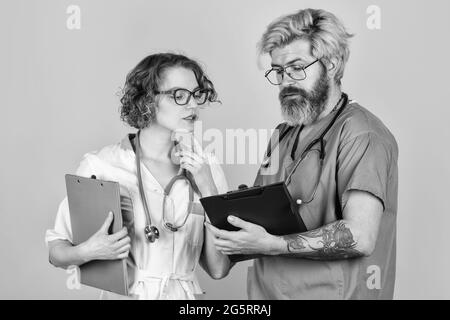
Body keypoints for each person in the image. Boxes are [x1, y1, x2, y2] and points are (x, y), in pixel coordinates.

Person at [206, 8, 398, 299]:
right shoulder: (283, 134)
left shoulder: (363, 134)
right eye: (278, 71)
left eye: (297, 68)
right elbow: (257, 228)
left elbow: (360, 235)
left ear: (331, 63)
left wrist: (275, 245)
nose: (285, 82)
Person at [45, 53, 231, 299]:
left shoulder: (206, 167)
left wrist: (208, 191)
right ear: (147, 100)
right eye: (179, 95)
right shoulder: (103, 165)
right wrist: (88, 251)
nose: (193, 105)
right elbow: (56, 252)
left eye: (196, 94)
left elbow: (219, 268)